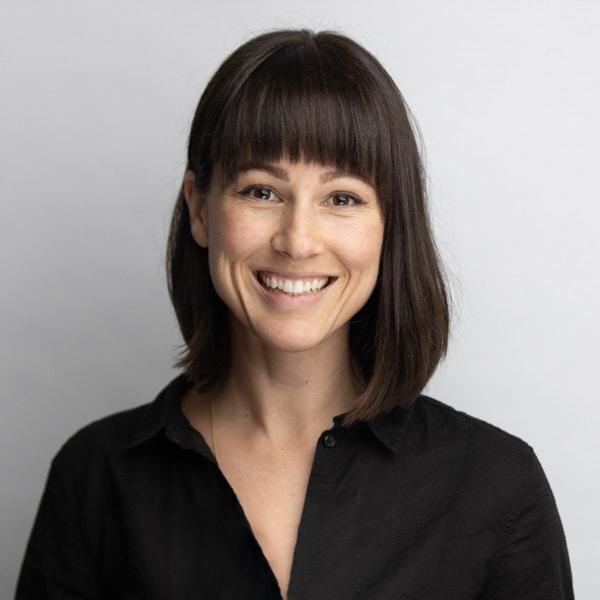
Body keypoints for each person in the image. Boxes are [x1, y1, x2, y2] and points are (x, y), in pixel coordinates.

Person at [15, 29, 573, 599]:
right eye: (261, 192)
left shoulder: (497, 488)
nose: (298, 240)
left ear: (390, 225)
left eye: (342, 198)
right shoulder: (94, 478)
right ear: (199, 210)